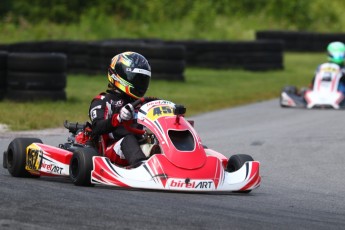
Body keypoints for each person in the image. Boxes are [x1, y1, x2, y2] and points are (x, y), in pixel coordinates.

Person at [88, 51, 152, 167]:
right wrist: (118, 118)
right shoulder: (102, 100)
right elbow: (96, 127)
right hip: (113, 149)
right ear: (121, 76)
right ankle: (141, 167)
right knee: (128, 139)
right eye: (137, 79)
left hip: (140, 144)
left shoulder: (143, 104)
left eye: (143, 80)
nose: (140, 84)